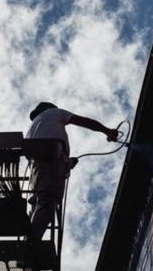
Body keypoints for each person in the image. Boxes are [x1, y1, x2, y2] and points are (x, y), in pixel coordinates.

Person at [26, 102, 118, 240]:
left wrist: (67, 162)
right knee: (48, 201)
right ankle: (31, 246)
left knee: (36, 203)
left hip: (35, 168)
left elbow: (43, 156)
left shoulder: (33, 127)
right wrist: (108, 131)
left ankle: (26, 243)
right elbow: (85, 122)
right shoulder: (53, 112)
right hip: (51, 156)